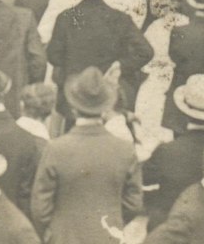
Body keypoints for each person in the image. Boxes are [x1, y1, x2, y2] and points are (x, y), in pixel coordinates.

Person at [31, 67, 141, 244]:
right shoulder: (124, 149)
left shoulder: (56, 148)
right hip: (108, 236)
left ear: (73, 108)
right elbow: (134, 203)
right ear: (105, 108)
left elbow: (40, 207)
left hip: (64, 237)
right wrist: (112, 221)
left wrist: (54, 230)